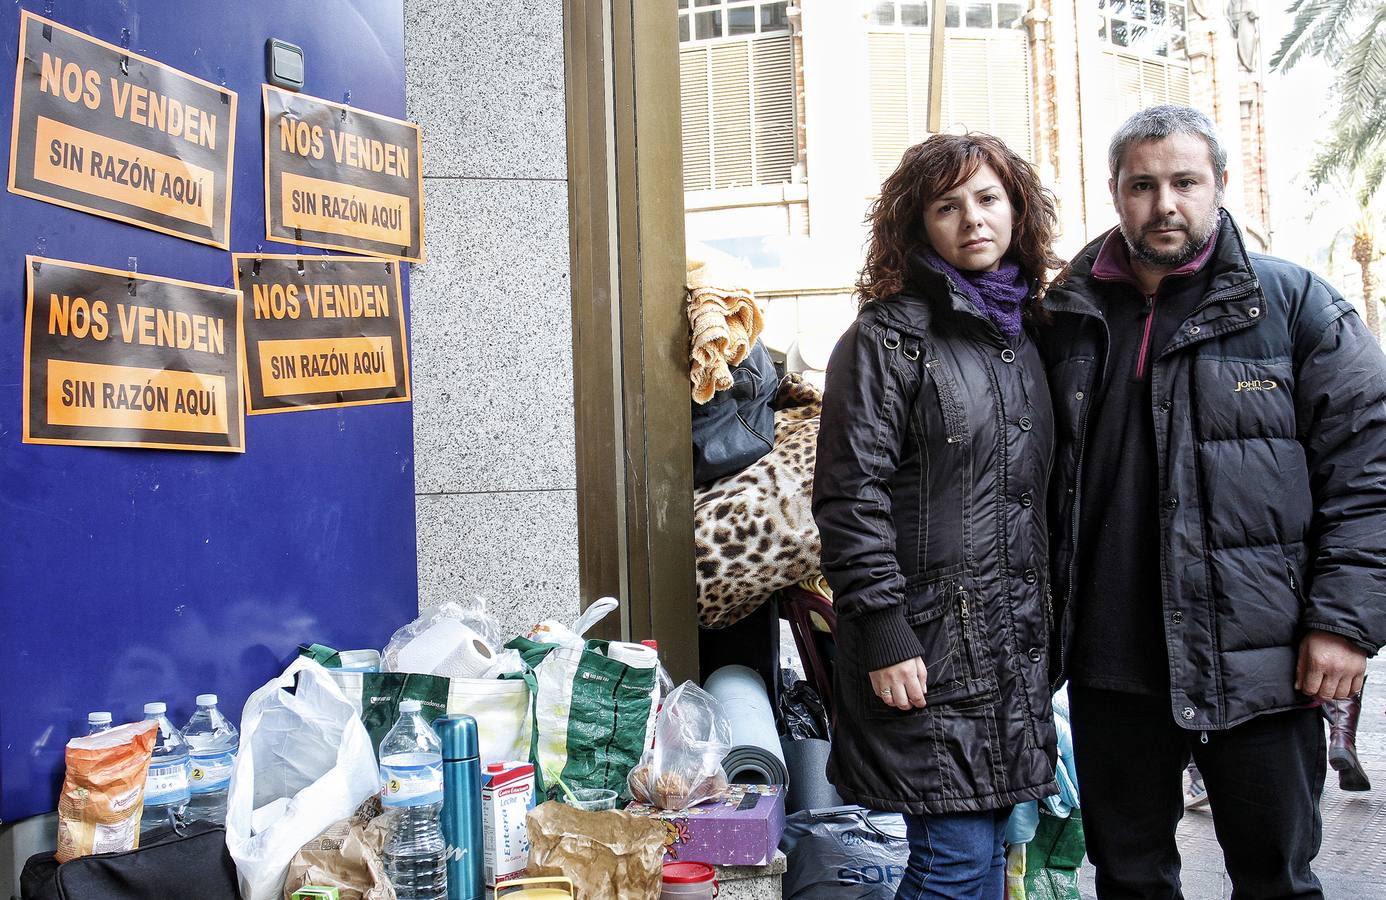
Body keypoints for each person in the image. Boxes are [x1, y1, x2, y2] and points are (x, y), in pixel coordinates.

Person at [1039, 104, 1386, 897]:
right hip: (1110, 664)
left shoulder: (1297, 307)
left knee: (1275, 877)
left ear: (1220, 186)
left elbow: (1369, 472)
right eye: (1143, 185)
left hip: (1258, 662)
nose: (1165, 204)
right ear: (1116, 192)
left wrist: (1343, 623)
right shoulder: (1064, 317)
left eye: (1186, 182)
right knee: (1128, 877)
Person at [813, 132, 1061, 898]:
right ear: (917, 225)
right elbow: (850, 496)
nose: (972, 219)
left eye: (988, 199)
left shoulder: (1029, 336)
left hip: (1009, 644)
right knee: (952, 862)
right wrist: (884, 628)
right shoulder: (886, 341)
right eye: (947, 206)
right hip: (924, 646)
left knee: (985, 857)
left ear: (1017, 210)